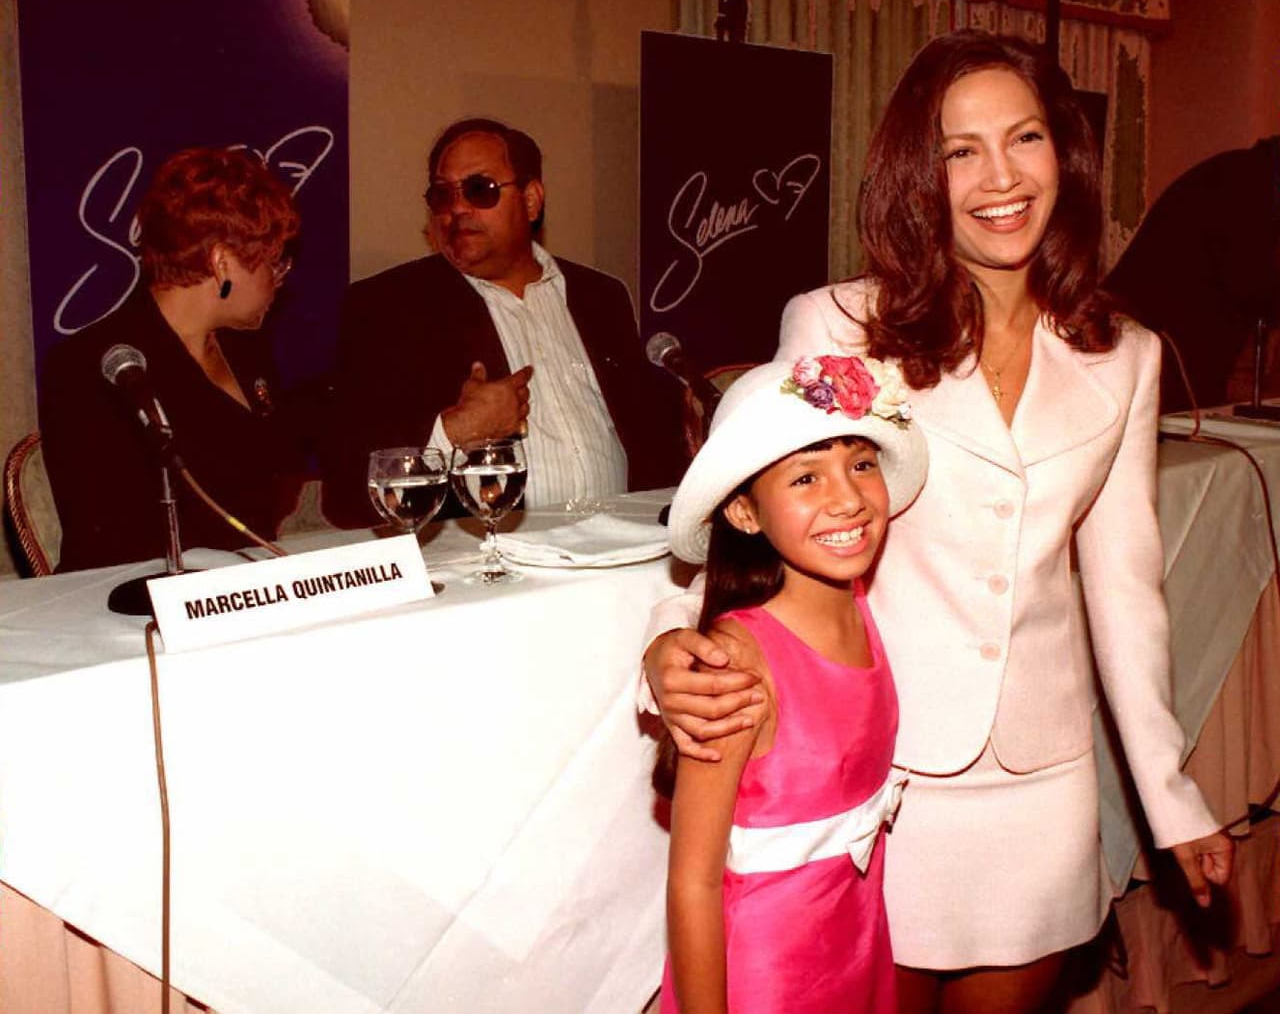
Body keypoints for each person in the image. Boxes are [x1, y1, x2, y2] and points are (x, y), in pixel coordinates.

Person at [642, 30, 1233, 1014]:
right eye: (960, 149)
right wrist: (667, 656)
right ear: (917, 173)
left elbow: (1126, 588)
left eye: (1026, 137)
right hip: (885, 774)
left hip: (1041, 784)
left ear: (1065, 155)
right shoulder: (837, 325)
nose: (999, 177)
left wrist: (1170, 799)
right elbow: (757, 525)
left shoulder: (1123, 355)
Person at [657, 352, 927, 1014]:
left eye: (861, 462)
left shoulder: (864, 602)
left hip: (855, 947)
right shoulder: (737, 663)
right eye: (805, 476)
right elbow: (692, 883)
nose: (848, 496)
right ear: (746, 514)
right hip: (767, 975)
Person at [322, 117, 684, 526]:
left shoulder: (602, 296)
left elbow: (651, 446)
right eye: (443, 195)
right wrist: (452, 432)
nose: (458, 208)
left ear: (531, 201)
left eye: (480, 190)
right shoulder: (387, 307)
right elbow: (346, 495)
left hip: (624, 547)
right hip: (492, 564)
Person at [39, 146, 304, 572]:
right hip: (135, 608)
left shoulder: (246, 350)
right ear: (222, 264)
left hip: (245, 593)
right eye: (274, 263)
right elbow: (109, 541)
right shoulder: (93, 367)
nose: (279, 280)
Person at [1103, 136, 1280, 412]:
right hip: (1157, 340)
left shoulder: (1242, 171)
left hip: (1166, 341)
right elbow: (1248, 282)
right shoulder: (1246, 180)